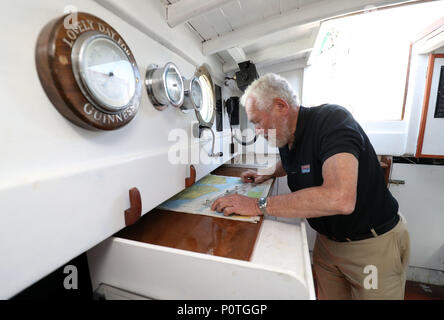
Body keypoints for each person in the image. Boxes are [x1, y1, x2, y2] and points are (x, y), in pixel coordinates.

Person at [211, 73, 410, 300]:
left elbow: (340, 198)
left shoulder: (333, 121)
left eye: (257, 121)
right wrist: (265, 174)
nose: (256, 130)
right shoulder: (286, 136)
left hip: (371, 247)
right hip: (326, 245)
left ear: (280, 106)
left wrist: (258, 204)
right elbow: (296, 163)